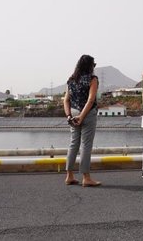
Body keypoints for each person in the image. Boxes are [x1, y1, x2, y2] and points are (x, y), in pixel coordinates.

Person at [63, 54, 101, 187]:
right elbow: (91, 100)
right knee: (86, 145)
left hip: (73, 112)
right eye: (94, 65)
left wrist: (69, 116)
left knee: (73, 144)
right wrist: (83, 116)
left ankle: (69, 176)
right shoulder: (92, 79)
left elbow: (66, 100)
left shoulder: (71, 80)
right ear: (90, 66)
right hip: (87, 114)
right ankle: (86, 177)